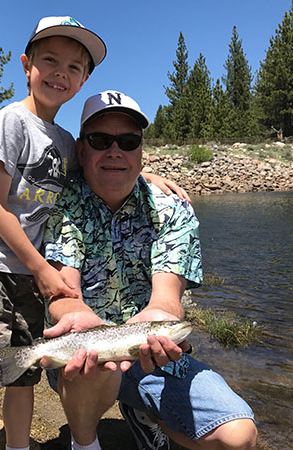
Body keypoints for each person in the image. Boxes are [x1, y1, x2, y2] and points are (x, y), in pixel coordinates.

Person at [0, 18, 185, 450]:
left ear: (83, 79)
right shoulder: (10, 122)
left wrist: (148, 173)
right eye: (50, 61)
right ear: (26, 65)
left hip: (25, 269)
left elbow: (109, 162)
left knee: (23, 369)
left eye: (74, 67)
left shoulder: (64, 140)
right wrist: (41, 268)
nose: (61, 73)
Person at [42, 90, 257, 450]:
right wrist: (77, 316)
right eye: (100, 140)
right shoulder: (60, 205)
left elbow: (167, 300)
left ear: (141, 153)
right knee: (91, 365)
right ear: (82, 150)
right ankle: (84, 443)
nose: (115, 151)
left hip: (150, 356)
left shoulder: (173, 211)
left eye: (127, 142)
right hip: (79, 356)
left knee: (238, 438)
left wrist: (163, 316)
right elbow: (63, 294)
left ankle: (146, 413)